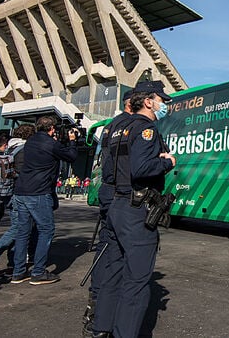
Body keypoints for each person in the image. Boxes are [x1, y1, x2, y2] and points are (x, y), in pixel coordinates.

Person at [92, 81, 176, 338]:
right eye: (160, 99)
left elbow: (114, 168)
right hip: (136, 209)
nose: (163, 104)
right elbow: (141, 169)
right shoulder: (146, 129)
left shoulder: (119, 128)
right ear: (149, 101)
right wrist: (166, 162)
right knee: (137, 280)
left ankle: (101, 328)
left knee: (113, 271)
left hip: (117, 204)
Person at [84, 89, 133, 336]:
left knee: (107, 247)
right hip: (121, 196)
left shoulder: (110, 128)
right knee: (116, 252)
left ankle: (96, 307)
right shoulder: (130, 128)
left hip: (108, 193)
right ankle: (102, 313)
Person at [9, 115, 78, 285]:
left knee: (23, 232)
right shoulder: (50, 144)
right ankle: (38, 272)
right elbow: (71, 156)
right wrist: (72, 140)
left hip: (21, 191)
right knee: (46, 229)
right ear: (52, 129)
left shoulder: (31, 141)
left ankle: (18, 271)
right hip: (38, 192)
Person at [0, 124, 38, 279]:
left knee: (20, 230)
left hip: (7, 193)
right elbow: (23, 174)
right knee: (17, 229)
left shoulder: (10, 148)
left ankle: (13, 264)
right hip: (18, 194)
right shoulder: (23, 151)